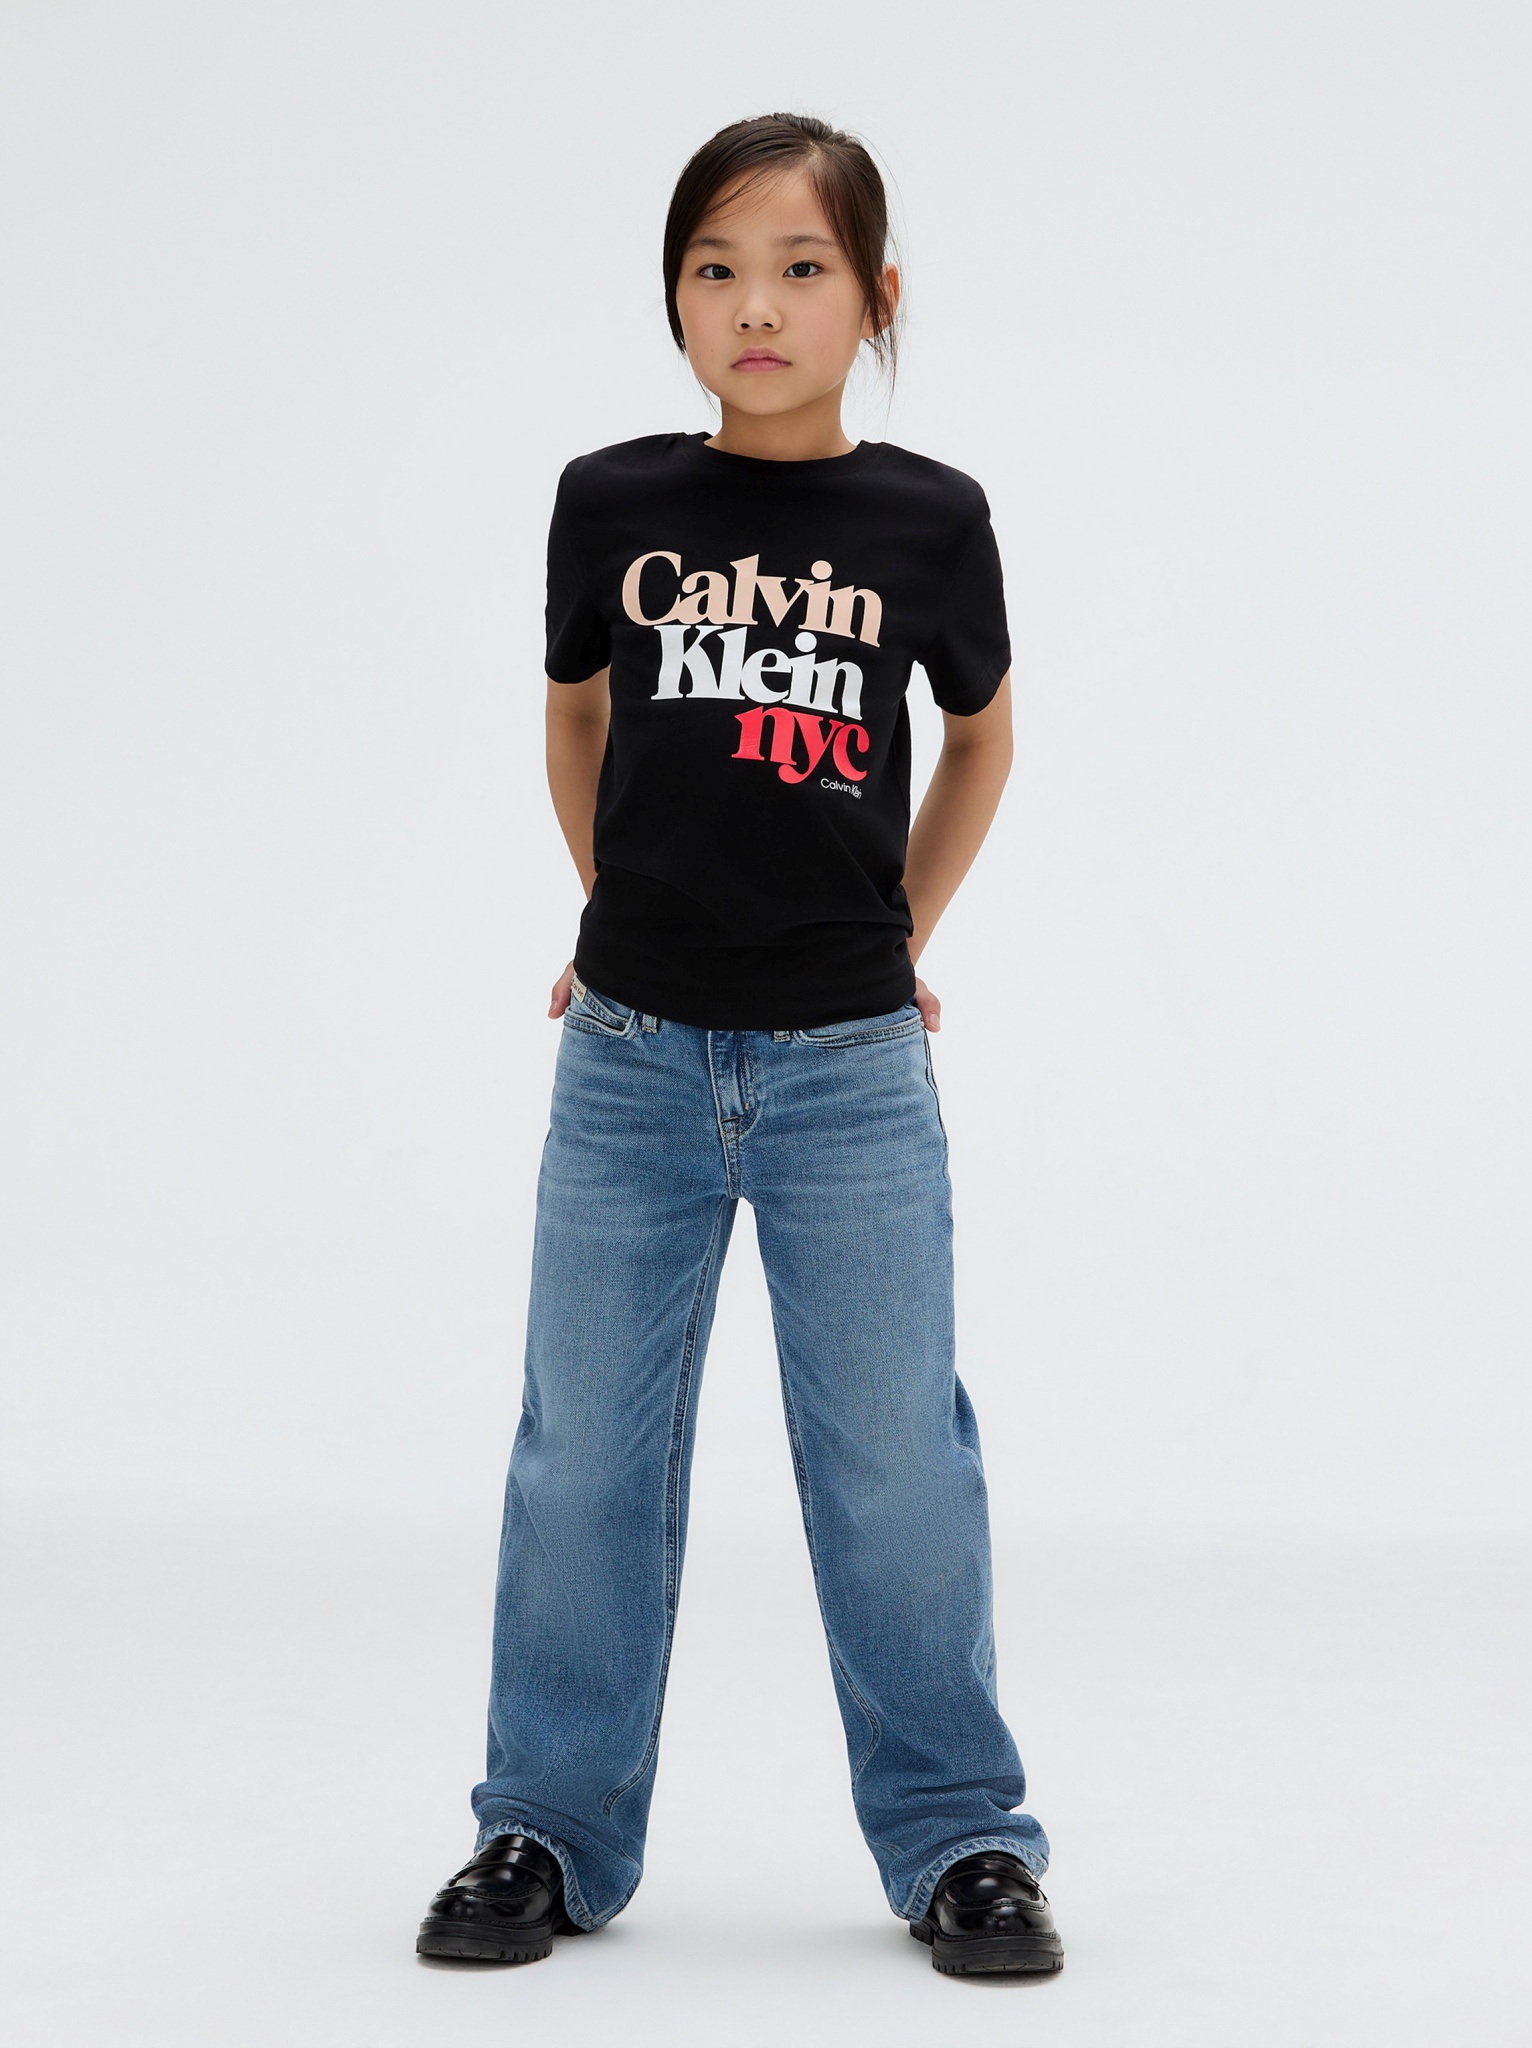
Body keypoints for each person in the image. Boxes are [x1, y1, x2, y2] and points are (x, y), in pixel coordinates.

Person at [415, 112, 1061, 1980]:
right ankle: (544, 1827)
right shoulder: (610, 502)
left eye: (800, 269)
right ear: (674, 300)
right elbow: (575, 717)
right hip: (627, 1060)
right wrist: (613, 907)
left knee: (896, 1464)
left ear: (875, 296)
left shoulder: (930, 521)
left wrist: (900, 935)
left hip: (851, 1069)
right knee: (584, 1462)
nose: (756, 308)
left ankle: (963, 1839)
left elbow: (983, 739)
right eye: (716, 270)